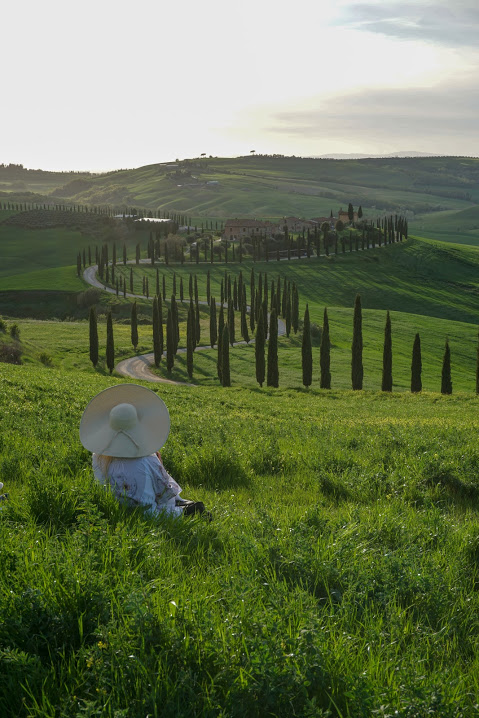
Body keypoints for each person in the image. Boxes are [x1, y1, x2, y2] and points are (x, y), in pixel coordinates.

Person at [79, 384, 207, 518]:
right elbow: (161, 496)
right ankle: (187, 510)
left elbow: (102, 487)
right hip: (150, 515)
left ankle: (185, 506)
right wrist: (159, 465)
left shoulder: (99, 456)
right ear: (137, 425)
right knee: (186, 508)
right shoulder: (146, 460)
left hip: (114, 511)